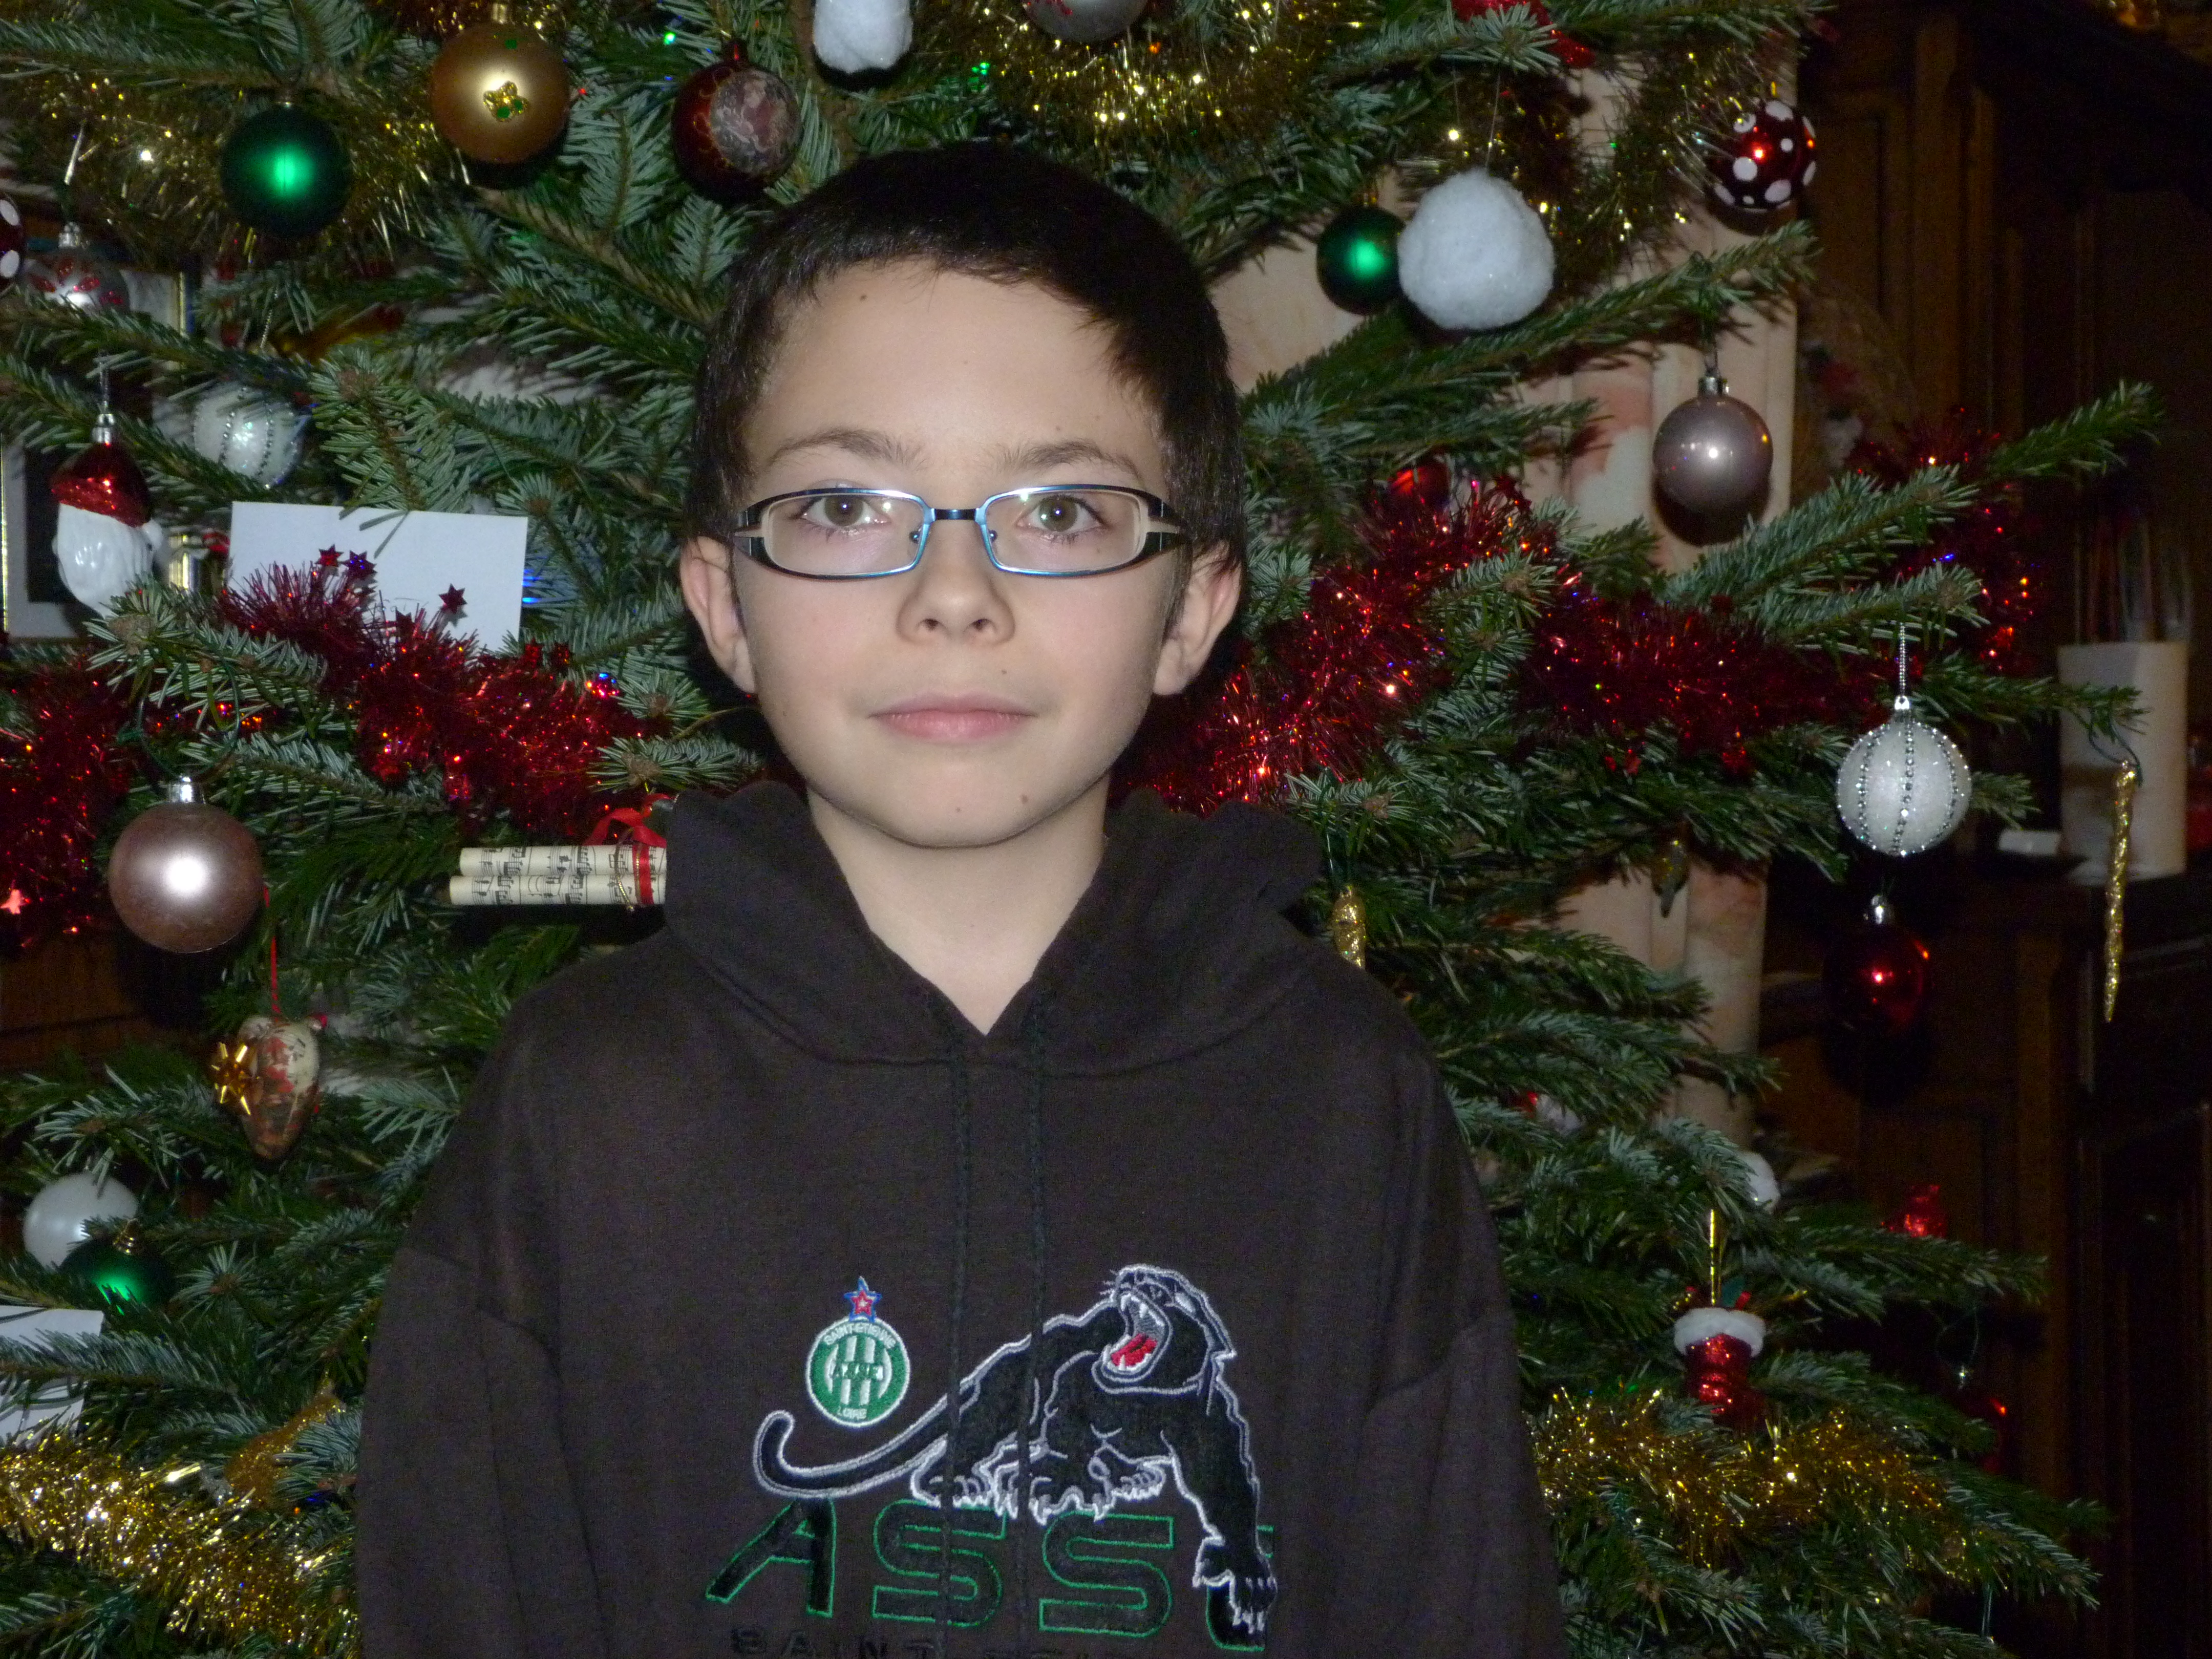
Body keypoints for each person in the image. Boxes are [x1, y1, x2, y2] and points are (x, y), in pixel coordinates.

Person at [356, 141, 1564, 1659]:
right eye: (845, 506)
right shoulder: (586, 1096)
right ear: (726, 605)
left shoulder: (1343, 1094)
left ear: (1191, 610)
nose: (953, 595)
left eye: (1059, 514)